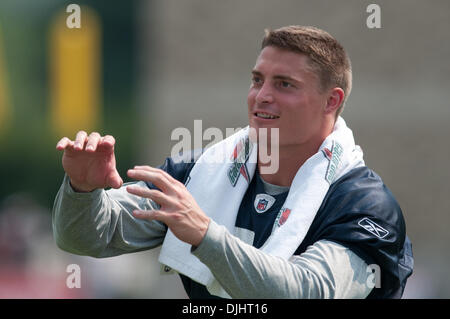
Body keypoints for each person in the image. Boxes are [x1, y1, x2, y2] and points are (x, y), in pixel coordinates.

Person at [52, 25, 413, 299]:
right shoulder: (200, 171)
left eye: (284, 84)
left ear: (331, 101)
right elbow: (89, 238)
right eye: (258, 80)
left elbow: (308, 291)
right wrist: (83, 192)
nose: (262, 96)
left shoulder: (366, 205)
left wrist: (205, 235)